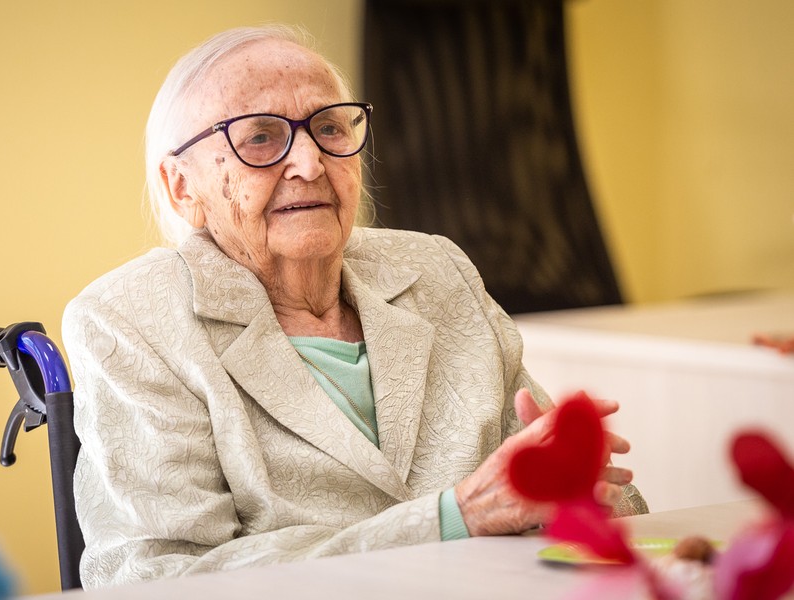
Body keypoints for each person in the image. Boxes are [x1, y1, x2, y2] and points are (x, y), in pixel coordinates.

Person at [62, 24, 647, 589]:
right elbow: (155, 579)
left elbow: (593, 504)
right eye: (261, 136)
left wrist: (577, 482)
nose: (311, 164)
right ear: (181, 188)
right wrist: (452, 519)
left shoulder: (435, 270)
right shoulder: (130, 321)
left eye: (331, 129)